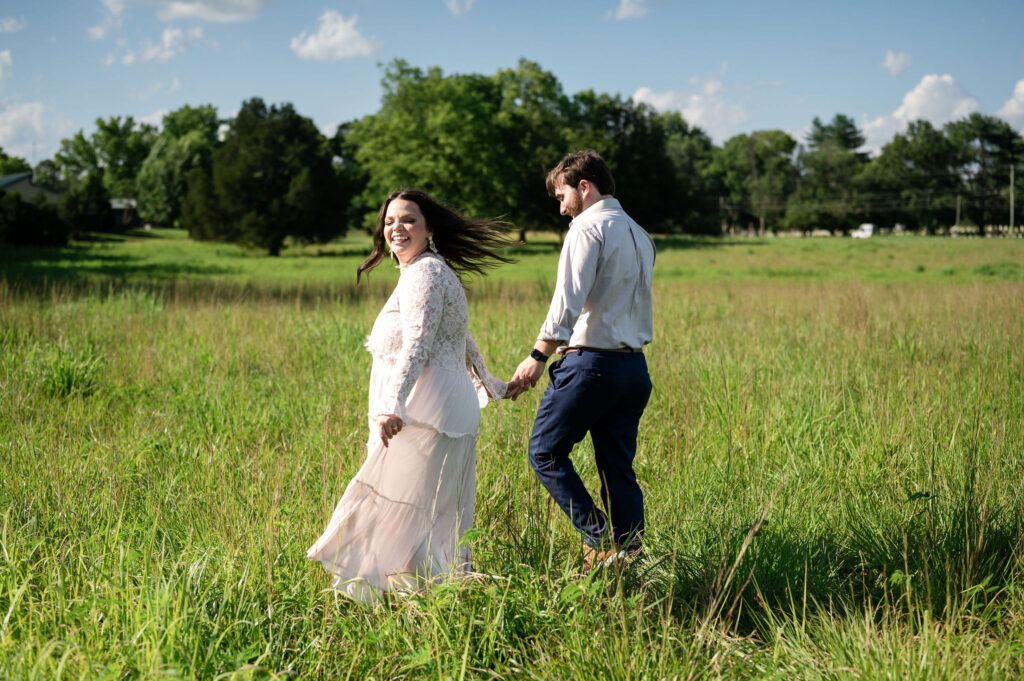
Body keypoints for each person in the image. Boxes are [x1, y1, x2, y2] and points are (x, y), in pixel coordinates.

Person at [307, 189, 518, 602]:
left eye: (408, 220)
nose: (396, 228)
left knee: (399, 504)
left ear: (429, 228)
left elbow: (419, 341)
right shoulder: (425, 271)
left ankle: (412, 597)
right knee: (421, 509)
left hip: (426, 409)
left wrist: (393, 404)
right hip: (437, 405)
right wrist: (488, 382)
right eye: (389, 221)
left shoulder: (425, 273)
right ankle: (426, 597)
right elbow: (458, 336)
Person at [511, 150, 655, 569]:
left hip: (591, 366)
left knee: (544, 452)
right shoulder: (640, 234)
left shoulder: (586, 229)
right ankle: (630, 561)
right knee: (617, 470)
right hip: (634, 370)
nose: (561, 209)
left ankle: (600, 539)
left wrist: (538, 355)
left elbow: (567, 302)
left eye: (562, 197)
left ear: (584, 187)